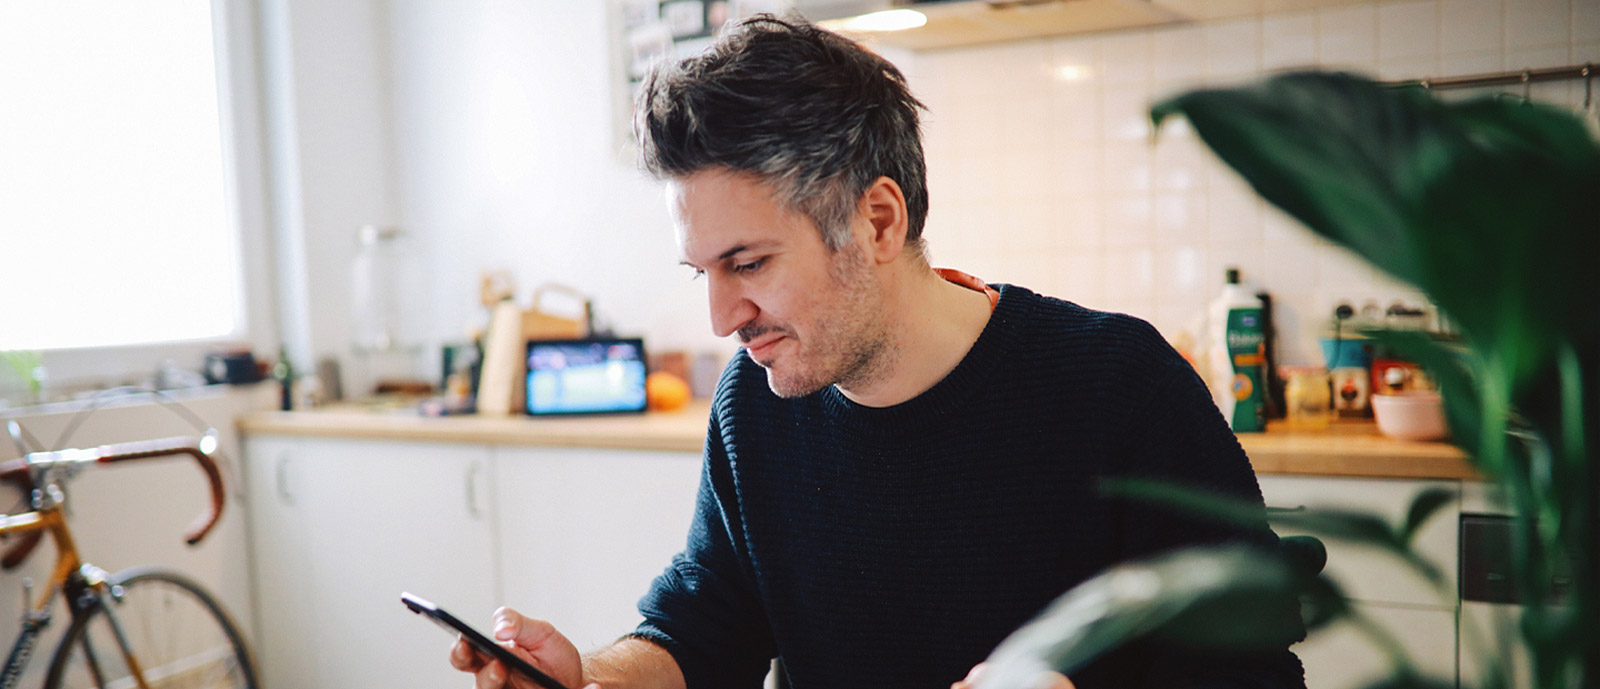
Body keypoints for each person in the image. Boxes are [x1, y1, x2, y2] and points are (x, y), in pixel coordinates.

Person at [451, 14, 1304, 689]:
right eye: (703, 271)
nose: (720, 317)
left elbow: (1254, 673)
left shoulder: (1122, 389)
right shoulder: (755, 405)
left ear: (879, 221)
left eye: (747, 263)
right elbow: (701, 631)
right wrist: (588, 676)